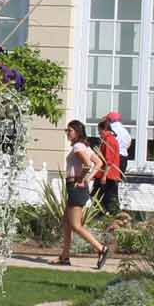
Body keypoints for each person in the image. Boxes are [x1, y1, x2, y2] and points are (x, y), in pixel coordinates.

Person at [56, 119, 109, 268]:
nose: (67, 133)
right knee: (66, 223)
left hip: (75, 186)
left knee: (75, 225)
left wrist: (82, 178)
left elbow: (87, 164)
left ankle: (101, 249)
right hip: (77, 187)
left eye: (70, 131)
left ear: (77, 132)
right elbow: (98, 163)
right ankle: (64, 257)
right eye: (67, 131)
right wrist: (88, 178)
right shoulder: (85, 146)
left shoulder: (79, 147)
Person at [95, 111, 126, 219]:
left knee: (102, 198)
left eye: (100, 132)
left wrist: (104, 176)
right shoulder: (110, 139)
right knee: (108, 197)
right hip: (110, 174)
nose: (99, 135)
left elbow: (108, 160)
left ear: (105, 130)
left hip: (107, 174)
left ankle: (104, 217)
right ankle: (111, 217)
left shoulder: (109, 140)